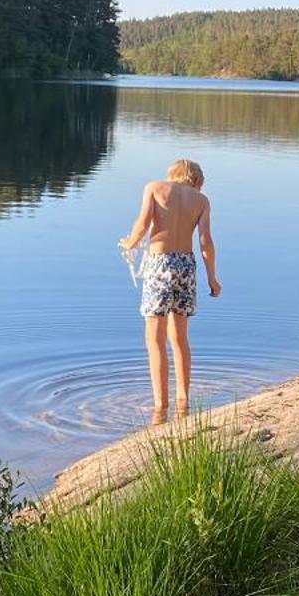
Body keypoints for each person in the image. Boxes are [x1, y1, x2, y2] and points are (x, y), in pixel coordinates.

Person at [119, 158, 221, 423]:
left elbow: (142, 225)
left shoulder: (154, 187)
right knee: (179, 338)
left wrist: (129, 242)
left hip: (160, 264)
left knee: (154, 337)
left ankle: (160, 406)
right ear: (195, 180)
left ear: (174, 174)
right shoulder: (202, 201)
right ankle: (183, 401)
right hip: (186, 265)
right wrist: (212, 278)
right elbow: (206, 243)